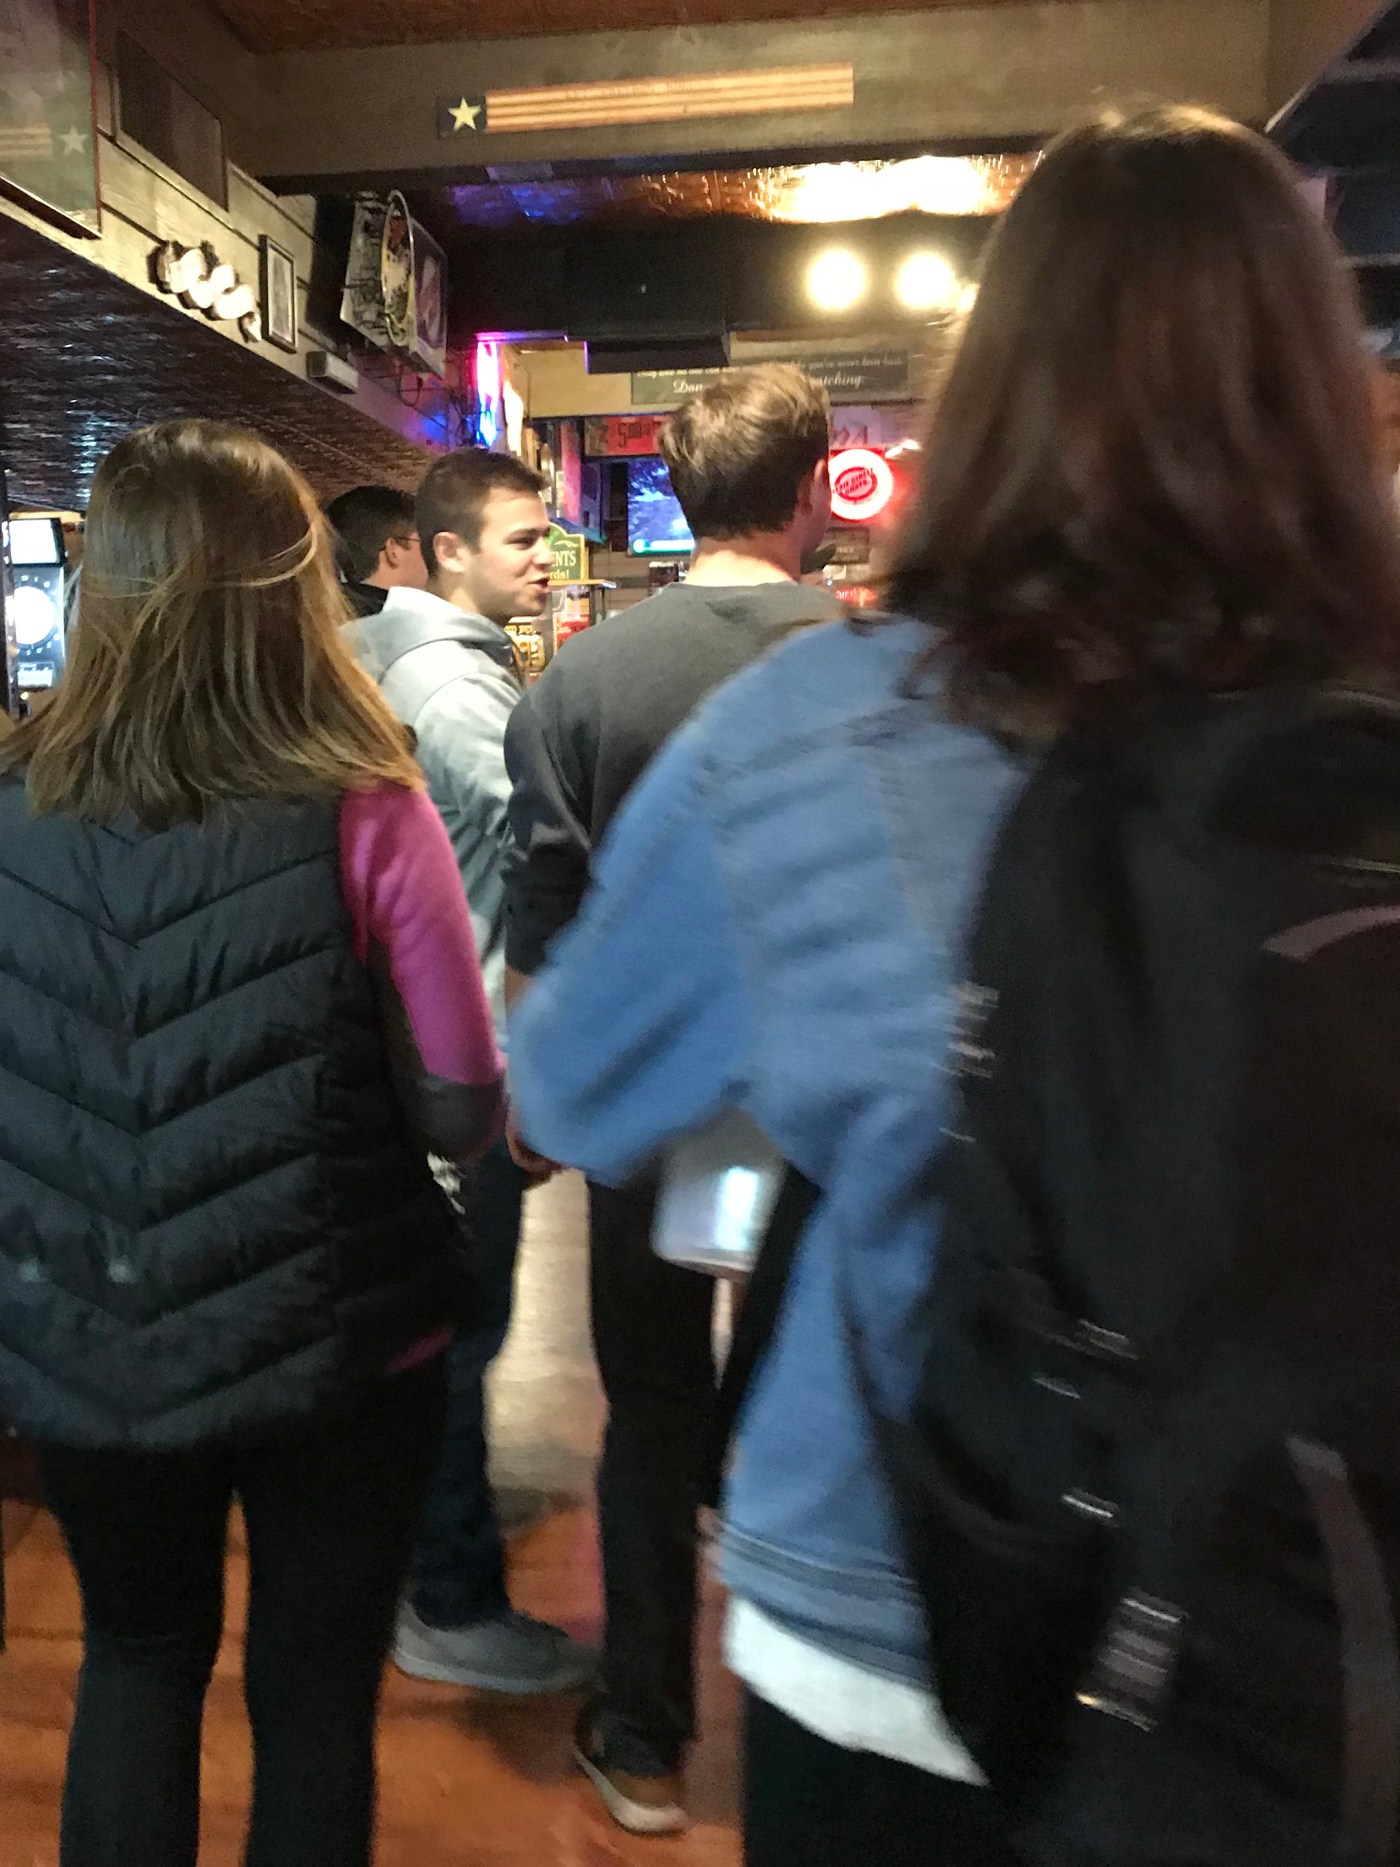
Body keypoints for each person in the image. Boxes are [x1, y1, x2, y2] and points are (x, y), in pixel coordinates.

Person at [506, 105, 1400, 1866]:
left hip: (905, 1594)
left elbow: (573, 1089)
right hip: (1324, 1616)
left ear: (985, 395)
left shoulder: (815, 735)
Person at [0, 420, 506, 1867]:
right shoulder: (366, 796)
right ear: (290, 586)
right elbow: (463, 1094)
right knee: (312, 1689)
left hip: (88, 1325)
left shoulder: (6, 809)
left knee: (137, 1653)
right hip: (333, 1326)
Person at [503, 363, 840, 1833]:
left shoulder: (584, 678)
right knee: (815, 1398)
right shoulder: (881, 663)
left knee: (650, 1404)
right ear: (817, 488)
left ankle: (643, 1731)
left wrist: (543, 1095)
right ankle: (820, 1737)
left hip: (658, 1107)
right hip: (834, 1107)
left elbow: (545, 928)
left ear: (677, 487)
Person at [348, 447, 592, 1695]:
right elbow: (545, 869)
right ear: (444, 550)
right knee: (459, 1329)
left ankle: (416, 1553)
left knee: (429, 1330)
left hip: (407, 1052)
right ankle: (444, 1597)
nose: (541, 559)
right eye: (520, 540)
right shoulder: (454, 691)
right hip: (465, 1056)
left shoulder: (386, 663)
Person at [325, 482, 428, 618]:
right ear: (392, 551)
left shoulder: (322, 616)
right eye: (426, 544)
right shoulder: (408, 629)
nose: (432, 556)